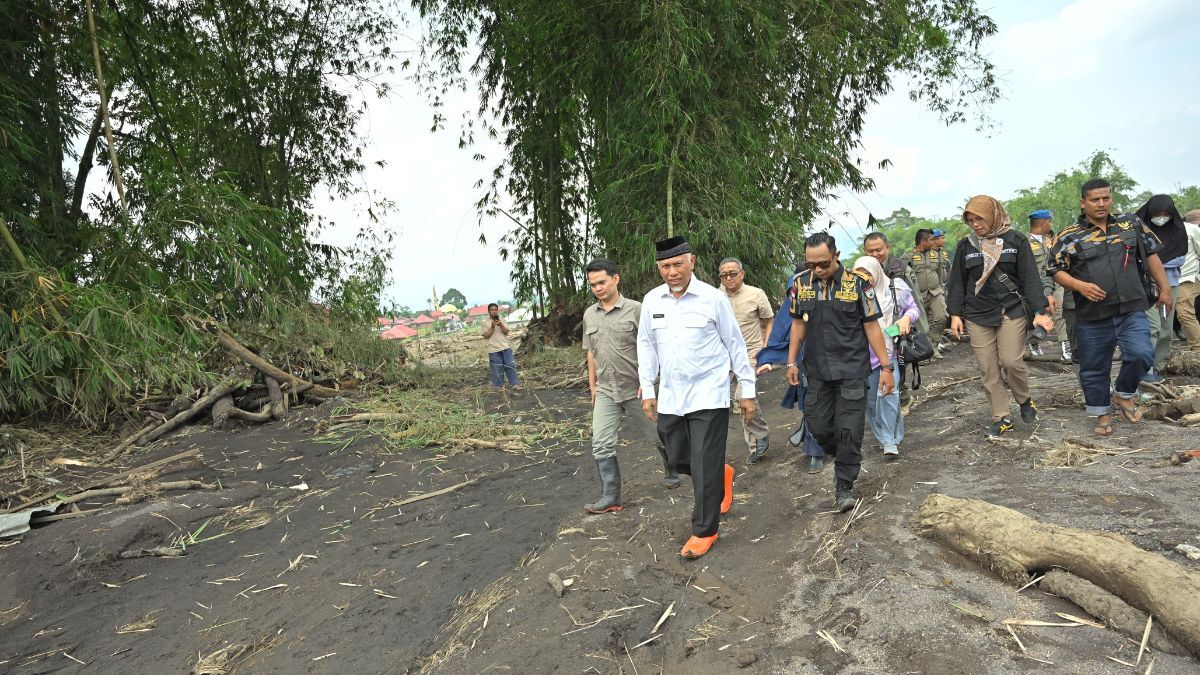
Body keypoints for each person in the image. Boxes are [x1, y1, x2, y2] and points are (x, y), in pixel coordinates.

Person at [637, 236, 757, 559]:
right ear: (659, 268)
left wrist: (748, 390)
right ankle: (720, 475)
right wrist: (648, 389)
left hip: (710, 393)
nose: (672, 271)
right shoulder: (652, 301)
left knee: (703, 460)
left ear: (692, 262)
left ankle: (705, 530)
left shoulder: (712, 299)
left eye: (678, 264)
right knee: (676, 457)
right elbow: (646, 346)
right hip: (672, 396)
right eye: (666, 266)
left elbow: (735, 345)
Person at [1047, 178, 1171, 438]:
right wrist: (1079, 286)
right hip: (1093, 314)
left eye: (1106, 198)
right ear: (1083, 203)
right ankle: (1101, 412)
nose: (1101, 204)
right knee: (1094, 366)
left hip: (1132, 307)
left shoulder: (1131, 223)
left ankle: (1124, 394)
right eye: (1095, 199)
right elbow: (1055, 270)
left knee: (1141, 354)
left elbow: (1151, 255)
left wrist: (1166, 289)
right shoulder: (1068, 235)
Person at [785, 232, 894, 512]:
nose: (817, 270)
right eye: (811, 265)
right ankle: (846, 455)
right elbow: (798, 325)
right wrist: (791, 362)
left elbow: (872, 326)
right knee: (818, 426)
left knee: (849, 430)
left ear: (836, 256)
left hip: (852, 370)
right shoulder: (801, 285)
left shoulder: (857, 285)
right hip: (817, 371)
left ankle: (844, 486)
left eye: (823, 263)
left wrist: (886, 366)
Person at [946, 196, 1054, 437]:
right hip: (976, 313)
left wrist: (1040, 311)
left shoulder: (1016, 240)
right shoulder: (967, 246)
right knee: (988, 369)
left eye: (979, 218)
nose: (975, 224)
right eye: (970, 220)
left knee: (1011, 362)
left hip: (1010, 310)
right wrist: (954, 314)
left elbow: (1029, 278)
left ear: (993, 215)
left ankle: (1025, 400)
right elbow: (957, 282)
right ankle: (1002, 417)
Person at [582, 259, 679, 515]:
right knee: (601, 443)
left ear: (616, 279)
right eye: (593, 285)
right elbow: (591, 353)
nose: (598, 289)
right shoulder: (589, 314)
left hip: (636, 389)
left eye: (602, 282)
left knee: (658, 434)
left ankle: (671, 467)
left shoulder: (637, 310)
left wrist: (649, 383)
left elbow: (654, 348)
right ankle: (611, 496)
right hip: (606, 391)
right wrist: (592, 386)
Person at [853, 256, 918, 457]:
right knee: (872, 401)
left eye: (867, 274)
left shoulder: (894, 288)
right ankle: (882, 436)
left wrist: (906, 319)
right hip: (862, 357)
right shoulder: (850, 294)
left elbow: (913, 309)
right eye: (859, 275)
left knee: (889, 395)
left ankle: (891, 440)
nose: (864, 279)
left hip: (888, 353)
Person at [717, 257, 773, 464]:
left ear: (742, 274)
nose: (728, 278)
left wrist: (766, 348)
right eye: (724, 275)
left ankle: (760, 434)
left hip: (751, 352)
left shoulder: (756, 294)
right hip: (723, 356)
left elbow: (769, 321)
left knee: (743, 396)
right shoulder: (715, 297)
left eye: (733, 273)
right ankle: (755, 446)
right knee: (736, 401)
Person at [1135, 195, 1188, 383]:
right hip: (1146, 286)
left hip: (1171, 285)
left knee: (1166, 329)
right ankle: (1145, 370)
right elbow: (1135, 256)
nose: (1162, 217)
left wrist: (1153, 261)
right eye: (1158, 214)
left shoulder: (1179, 231)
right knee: (1152, 327)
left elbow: (1180, 258)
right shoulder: (1137, 228)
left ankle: (1157, 365)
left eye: (1166, 214)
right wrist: (1153, 263)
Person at [1027, 210, 1071, 362]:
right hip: (1035, 284)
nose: (1051, 224)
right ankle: (1033, 341)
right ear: (1042, 222)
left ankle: (1066, 347)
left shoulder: (1051, 240)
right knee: (1036, 314)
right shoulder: (1024, 241)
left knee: (1059, 311)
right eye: (1050, 221)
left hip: (1055, 280)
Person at [905, 229, 950, 351]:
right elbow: (905, 279)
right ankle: (924, 350)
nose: (932, 242)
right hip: (918, 295)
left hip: (936, 292)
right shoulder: (908, 257)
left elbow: (940, 273)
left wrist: (941, 289)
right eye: (930, 240)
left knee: (941, 317)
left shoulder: (936, 255)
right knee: (921, 325)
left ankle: (934, 347)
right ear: (922, 241)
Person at [1174, 211, 1200, 350]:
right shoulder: (1154, 231)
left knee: (1184, 312)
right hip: (1163, 279)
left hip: (1187, 278)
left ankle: (1197, 349)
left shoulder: (1191, 230)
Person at [482, 303, 519, 390]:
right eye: (492, 310)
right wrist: (492, 327)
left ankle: (514, 384)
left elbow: (506, 332)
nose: (494, 311)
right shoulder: (485, 323)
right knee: (496, 368)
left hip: (505, 347)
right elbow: (486, 336)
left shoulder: (502, 320)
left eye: (495, 309)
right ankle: (500, 386)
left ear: (497, 310)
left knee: (510, 365)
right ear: (488, 311)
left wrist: (500, 325)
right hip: (493, 349)